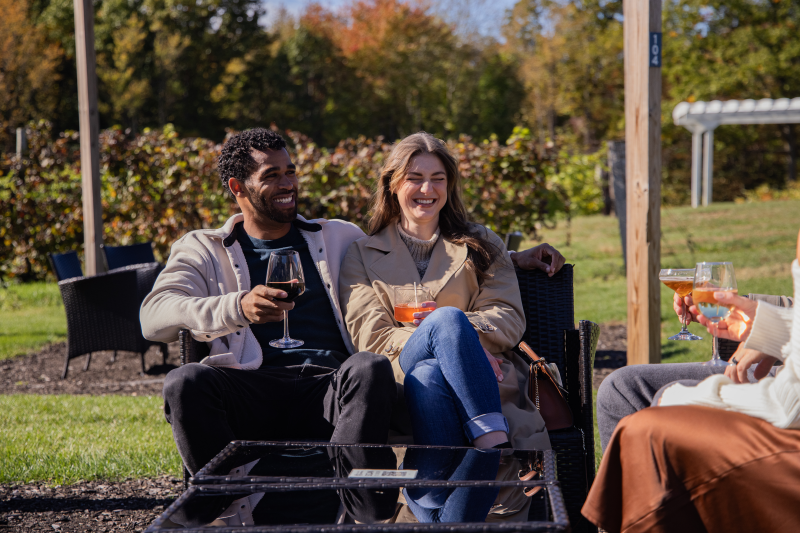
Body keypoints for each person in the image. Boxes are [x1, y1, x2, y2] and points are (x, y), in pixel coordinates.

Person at [141, 128, 564, 517]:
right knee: (183, 382)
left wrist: (509, 259)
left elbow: (423, 244)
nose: (288, 184)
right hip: (254, 384)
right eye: (272, 176)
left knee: (370, 366)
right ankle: (217, 491)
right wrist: (235, 306)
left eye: (291, 171)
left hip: (333, 385)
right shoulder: (203, 247)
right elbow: (152, 316)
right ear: (237, 188)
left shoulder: (336, 237)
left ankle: (367, 500)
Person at [339, 132, 560, 451]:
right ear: (392, 184)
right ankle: (492, 443)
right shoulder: (361, 254)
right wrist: (440, 336)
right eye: (414, 178)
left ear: (449, 185)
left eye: (437, 179)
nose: (427, 189)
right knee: (440, 331)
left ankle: (441, 487)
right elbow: (372, 338)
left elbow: (508, 317)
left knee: (435, 360)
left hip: (488, 381)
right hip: (403, 383)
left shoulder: (482, 242)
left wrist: (458, 339)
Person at [582, 230, 800, 533]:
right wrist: (766, 320)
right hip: (787, 369)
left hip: (788, 403)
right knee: (622, 387)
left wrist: (676, 396)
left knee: (648, 427)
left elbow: (789, 406)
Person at [596, 288, 792, 452]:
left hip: (791, 387)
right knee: (620, 388)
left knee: (671, 401)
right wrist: (753, 309)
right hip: (786, 368)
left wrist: (779, 329)